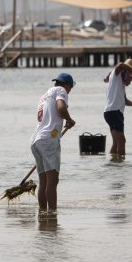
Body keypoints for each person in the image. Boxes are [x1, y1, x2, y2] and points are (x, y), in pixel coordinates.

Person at [30, 72, 76, 214]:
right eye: (70, 88)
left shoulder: (45, 95)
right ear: (67, 85)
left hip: (36, 139)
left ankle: (43, 214)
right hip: (48, 140)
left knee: (43, 181)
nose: (69, 91)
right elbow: (61, 108)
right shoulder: (60, 90)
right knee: (53, 180)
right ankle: (52, 214)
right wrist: (69, 119)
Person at [103, 58, 132, 158]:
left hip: (109, 112)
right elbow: (120, 65)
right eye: (129, 73)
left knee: (116, 142)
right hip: (115, 112)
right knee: (122, 140)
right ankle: (121, 164)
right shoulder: (116, 74)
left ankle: (113, 163)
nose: (129, 77)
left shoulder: (119, 83)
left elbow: (124, 100)